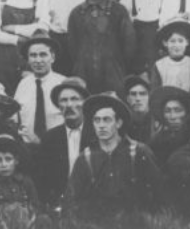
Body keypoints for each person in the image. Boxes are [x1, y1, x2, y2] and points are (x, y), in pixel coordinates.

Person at [64, 94, 163, 222]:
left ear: (118, 123)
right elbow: (71, 200)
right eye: (97, 120)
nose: (101, 125)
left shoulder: (138, 152)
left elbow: (159, 193)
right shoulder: (85, 158)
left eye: (107, 120)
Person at [69, 0, 138, 93]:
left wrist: (117, 65)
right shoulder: (76, 13)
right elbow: (73, 47)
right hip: (85, 72)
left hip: (113, 73)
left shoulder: (118, 10)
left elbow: (129, 44)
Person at [36, 77, 94, 210]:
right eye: (64, 100)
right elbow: (43, 180)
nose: (69, 105)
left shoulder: (96, 135)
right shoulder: (49, 139)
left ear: (84, 103)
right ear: (58, 105)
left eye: (74, 99)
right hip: (59, 205)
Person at [14, 31, 66, 144]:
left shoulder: (63, 84)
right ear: (28, 59)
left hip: (57, 148)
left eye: (43, 55)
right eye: (33, 55)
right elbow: (15, 120)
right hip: (28, 148)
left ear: (52, 57)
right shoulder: (23, 85)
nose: (38, 60)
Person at [0, 134, 40, 212]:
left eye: (8, 159)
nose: (4, 164)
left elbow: (35, 206)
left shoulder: (25, 181)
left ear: (16, 161)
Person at [148, 86, 190, 165]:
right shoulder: (157, 140)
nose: (172, 116)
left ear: (187, 113)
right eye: (167, 111)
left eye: (178, 110)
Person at [150, 19, 190, 92]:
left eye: (180, 41)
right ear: (165, 43)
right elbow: (155, 90)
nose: (177, 45)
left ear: (187, 42)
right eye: (172, 41)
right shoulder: (159, 65)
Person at [123, 75, 152, 142]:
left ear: (149, 97)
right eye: (133, 94)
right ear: (127, 99)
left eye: (142, 94)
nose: (138, 99)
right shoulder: (125, 123)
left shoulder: (156, 123)